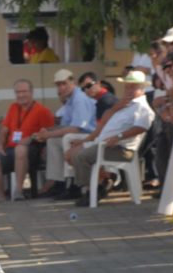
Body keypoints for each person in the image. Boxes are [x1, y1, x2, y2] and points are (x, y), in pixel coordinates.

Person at [66, 70, 155, 207]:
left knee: (80, 156)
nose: (129, 90)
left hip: (121, 148)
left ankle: (91, 191)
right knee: (74, 154)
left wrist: (118, 136)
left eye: (133, 87)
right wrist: (115, 109)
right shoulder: (125, 104)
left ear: (142, 88)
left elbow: (141, 128)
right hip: (106, 144)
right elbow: (104, 121)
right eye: (127, 86)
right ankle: (101, 183)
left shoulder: (143, 108)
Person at [0, 79, 55, 202]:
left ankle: (18, 191)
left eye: (24, 91)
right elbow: (3, 130)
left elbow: (49, 132)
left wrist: (30, 138)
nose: (21, 95)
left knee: (20, 149)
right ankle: (1, 197)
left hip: (32, 150)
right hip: (11, 148)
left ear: (32, 92)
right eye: (18, 92)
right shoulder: (13, 107)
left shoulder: (42, 111)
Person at [34, 69, 98, 198]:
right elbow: (65, 125)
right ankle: (59, 182)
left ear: (72, 82)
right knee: (54, 140)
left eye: (64, 83)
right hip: (81, 134)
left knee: (65, 139)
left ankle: (74, 185)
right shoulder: (71, 99)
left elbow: (76, 128)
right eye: (58, 85)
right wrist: (47, 132)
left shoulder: (79, 99)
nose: (61, 87)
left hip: (89, 136)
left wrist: (49, 134)